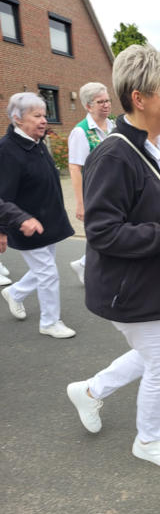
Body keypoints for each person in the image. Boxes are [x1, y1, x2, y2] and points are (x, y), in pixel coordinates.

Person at [66, 44, 160, 469]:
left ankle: (90, 391)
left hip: (151, 279)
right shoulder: (115, 155)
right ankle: (148, 440)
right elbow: (102, 232)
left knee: (157, 351)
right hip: (128, 287)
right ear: (139, 99)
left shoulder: (155, 147)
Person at [0, 93, 75, 338]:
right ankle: (49, 322)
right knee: (48, 273)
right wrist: (4, 228)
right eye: (37, 116)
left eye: (44, 115)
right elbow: (2, 195)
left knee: (44, 268)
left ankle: (15, 292)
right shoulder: (7, 150)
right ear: (18, 119)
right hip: (25, 225)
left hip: (46, 221)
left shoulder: (36, 142)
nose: (44, 120)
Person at [68, 83, 114, 285]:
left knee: (111, 234)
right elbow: (74, 168)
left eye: (107, 100)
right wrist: (81, 203)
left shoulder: (113, 126)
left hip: (114, 192)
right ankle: (89, 267)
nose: (106, 105)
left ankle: (84, 264)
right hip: (96, 195)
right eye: (100, 102)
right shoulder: (81, 132)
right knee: (106, 234)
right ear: (88, 106)